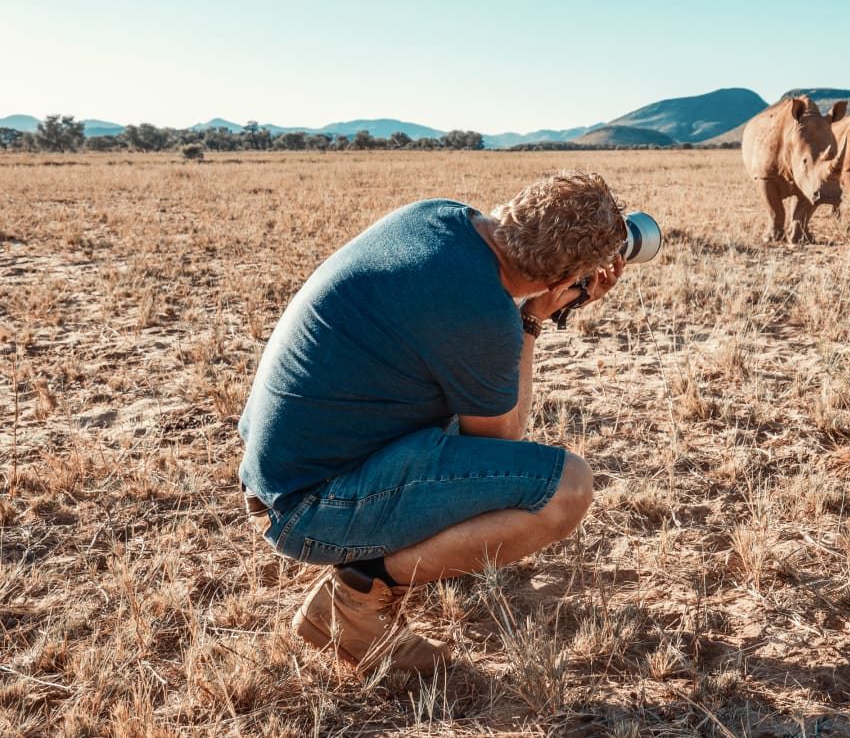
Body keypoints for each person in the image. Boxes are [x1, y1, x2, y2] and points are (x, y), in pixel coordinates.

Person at [238, 170, 628, 673]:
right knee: (565, 488)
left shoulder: (437, 215)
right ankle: (360, 591)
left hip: (277, 469)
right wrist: (531, 319)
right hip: (305, 508)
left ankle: (396, 554)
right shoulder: (484, 317)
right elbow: (503, 444)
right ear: (560, 281)